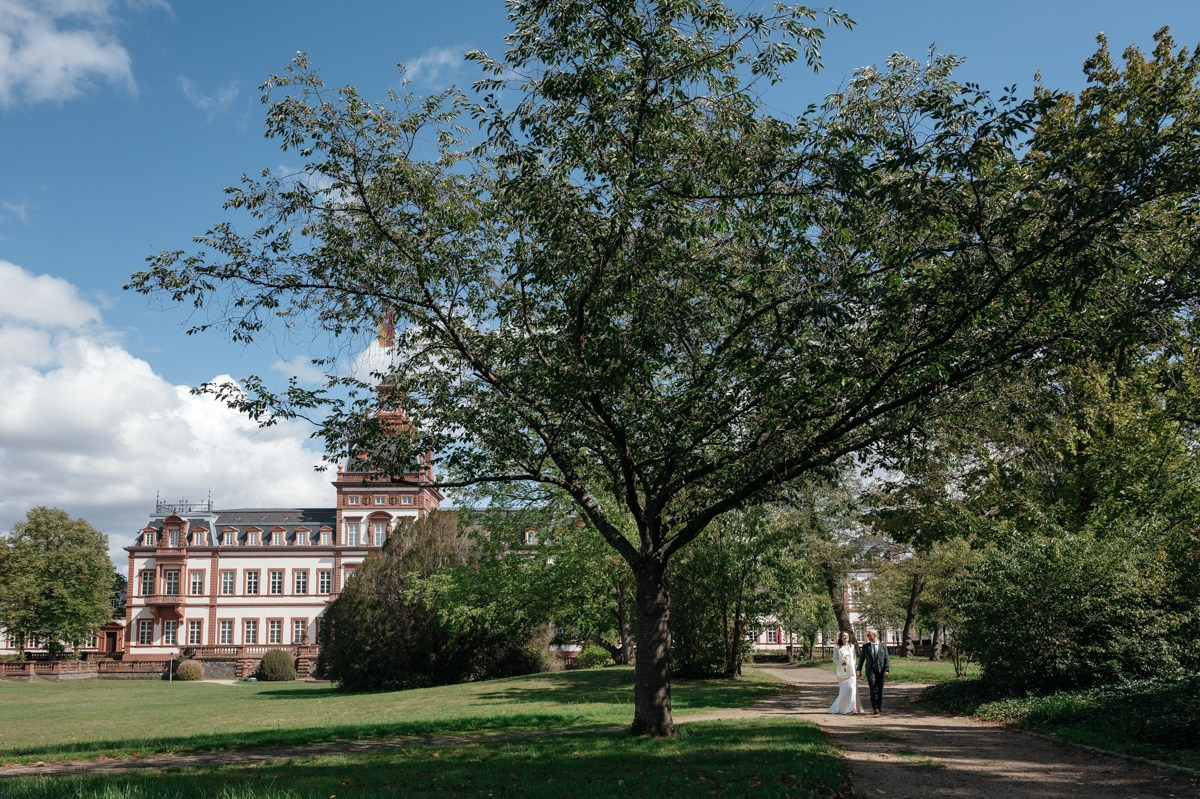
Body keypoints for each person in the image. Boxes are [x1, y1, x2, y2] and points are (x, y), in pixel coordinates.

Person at [827, 631, 862, 714]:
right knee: (844, 690)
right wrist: (840, 663)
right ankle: (841, 707)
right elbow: (834, 659)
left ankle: (853, 708)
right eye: (844, 636)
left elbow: (854, 659)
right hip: (842, 672)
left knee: (852, 688)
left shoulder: (852, 647)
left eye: (847, 636)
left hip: (851, 671)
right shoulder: (836, 648)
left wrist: (856, 669)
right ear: (841, 638)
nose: (846, 637)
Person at [858, 628, 890, 715]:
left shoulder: (883, 646)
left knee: (880, 689)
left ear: (874, 635)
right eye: (867, 635)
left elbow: (887, 659)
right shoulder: (866, 647)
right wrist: (859, 670)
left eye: (869, 635)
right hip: (870, 671)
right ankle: (875, 707)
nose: (867, 636)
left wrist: (886, 670)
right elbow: (861, 659)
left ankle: (879, 706)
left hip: (881, 671)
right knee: (873, 689)